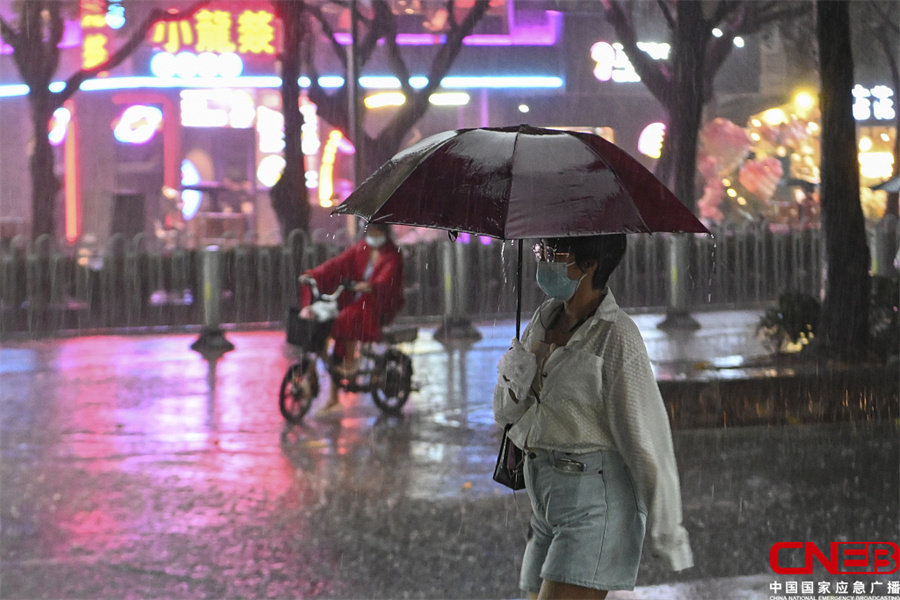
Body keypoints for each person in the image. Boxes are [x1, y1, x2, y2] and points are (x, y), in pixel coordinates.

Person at [493, 234, 693, 600]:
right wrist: (512, 376)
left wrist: (669, 533)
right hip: (544, 505)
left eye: (555, 253)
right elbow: (510, 416)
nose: (544, 261)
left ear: (589, 264)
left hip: (595, 506)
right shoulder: (543, 316)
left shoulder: (617, 336)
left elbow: (645, 437)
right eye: (541, 250)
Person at [301, 223, 404, 415]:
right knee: (324, 321)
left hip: (376, 305)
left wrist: (372, 286)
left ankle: (347, 367)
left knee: (345, 320)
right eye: (371, 230)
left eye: (377, 231)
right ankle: (335, 379)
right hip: (354, 302)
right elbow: (337, 264)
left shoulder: (393, 255)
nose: (373, 235)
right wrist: (314, 275)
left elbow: (388, 278)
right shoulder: (361, 249)